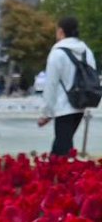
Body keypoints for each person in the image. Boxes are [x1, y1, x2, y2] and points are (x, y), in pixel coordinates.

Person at [38, 16, 99, 156]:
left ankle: (62, 175)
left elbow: (51, 85)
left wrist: (45, 113)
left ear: (60, 31)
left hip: (63, 106)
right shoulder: (86, 51)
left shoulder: (57, 53)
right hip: (80, 103)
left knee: (61, 149)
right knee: (64, 144)